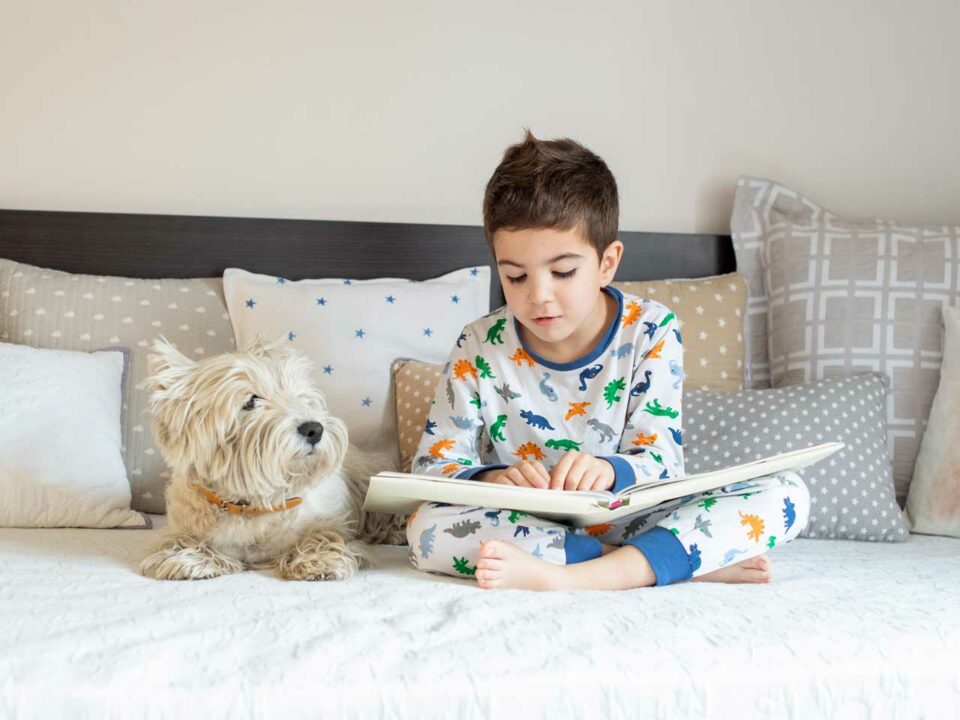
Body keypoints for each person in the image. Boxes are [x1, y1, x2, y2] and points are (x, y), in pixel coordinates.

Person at [406, 129, 810, 590]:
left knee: (786, 494)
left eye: (562, 272)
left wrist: (608, 468)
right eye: (515, 276)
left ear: (607, 262)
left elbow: (662, 460)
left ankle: (574, 577)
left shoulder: (651, 329)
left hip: (631, 512)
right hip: (530, 523)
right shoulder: (479, 344)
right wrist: (499, 477)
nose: (538, 296)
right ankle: (662, 561)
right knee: (424, 530)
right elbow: (433, 469)